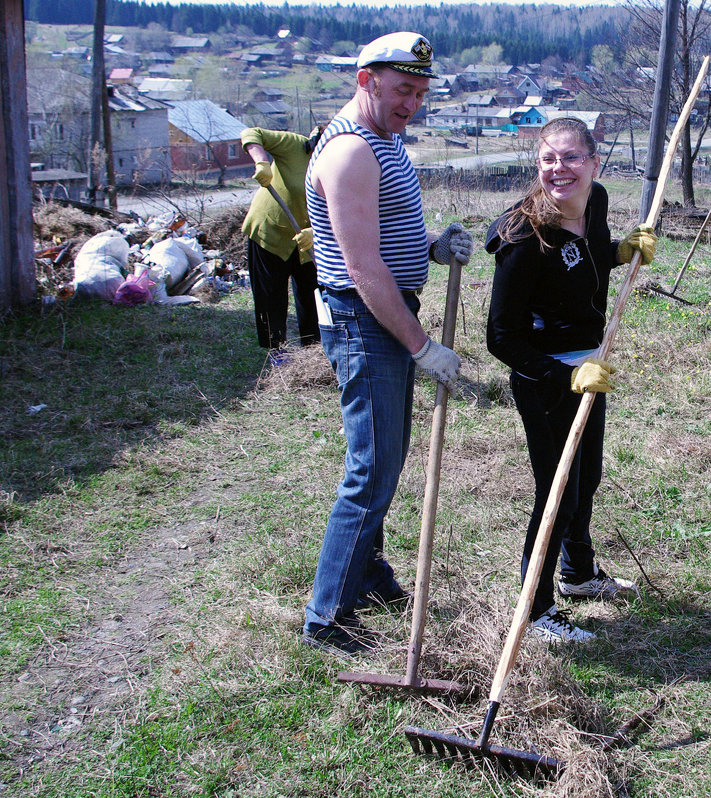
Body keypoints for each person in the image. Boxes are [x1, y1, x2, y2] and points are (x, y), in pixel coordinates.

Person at [301, 31, 474, 655]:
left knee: (387, 459)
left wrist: (430, 248)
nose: (413, 104)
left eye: (421, 93)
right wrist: (423, 346)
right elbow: (363, 269)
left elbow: (389, 237)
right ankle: (326, 618)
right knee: (371, 470)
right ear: (366, 79)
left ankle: (369, 575)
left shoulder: (385, 139)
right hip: (365, 320)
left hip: (386, 313)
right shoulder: (349, 153)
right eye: (403, 90)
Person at [485, 117, 657, 644]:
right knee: (555, 490)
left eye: (571, 158)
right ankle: (534, 611)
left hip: (591, 363)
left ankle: (578, 573)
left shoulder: (597, 203)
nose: (558, 169)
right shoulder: (523, 234)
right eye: (548, 160)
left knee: (587, 476)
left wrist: (619, 253)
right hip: (544, 376)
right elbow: (500, 336)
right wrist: (564, 374)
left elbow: (582, 264)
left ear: (593, 162)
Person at [240, 125, 324, 362]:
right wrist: (261, 163)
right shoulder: (294, 146)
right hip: (271, 232)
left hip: (309, 239)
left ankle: (313, 352)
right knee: (271, 294)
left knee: (312, 294)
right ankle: (276, 351)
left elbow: (346, 210)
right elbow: (251, 134)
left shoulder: (344, 167)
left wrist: (316, 232)